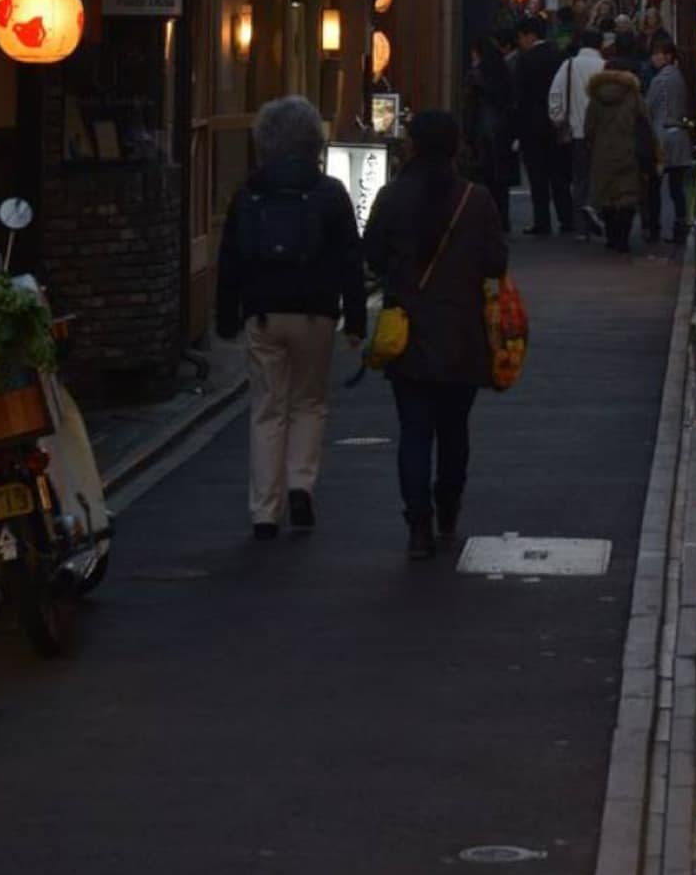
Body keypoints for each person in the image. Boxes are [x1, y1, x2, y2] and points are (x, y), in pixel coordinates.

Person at [216, 96, 365, 539]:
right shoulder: (330, 193)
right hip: (316, 311)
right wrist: (356, 319)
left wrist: (227, 317)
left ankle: (265, 508)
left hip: (262, 313)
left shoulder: (249, 193)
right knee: (308, 402)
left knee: (267, 409)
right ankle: (301, 484)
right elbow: (349, 259)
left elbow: (231, 259)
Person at [363, 111, 509, 559]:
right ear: (455, 146)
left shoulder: (392, 197)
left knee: (414, 431)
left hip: (408, 330)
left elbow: (372, 255)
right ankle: (448, 507)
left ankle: (418, 523)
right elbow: (495, 263)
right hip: (463, 332)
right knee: (453, 429)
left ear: (412, 145)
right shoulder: (476, 199)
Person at [516, 15, 573, 235]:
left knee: (537, 177)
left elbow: (521, 96)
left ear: (530, 36)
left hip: (531, 125)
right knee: (559, 175)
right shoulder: (559, 56)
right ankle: (566, 219)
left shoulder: (526, 60)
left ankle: (542, 221)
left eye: (521, 37)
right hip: (556, 123)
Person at [548, 26, 605, 239]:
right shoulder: (605, 66)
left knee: (579, 179)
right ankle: (597, 213)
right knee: (600, 177)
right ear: (600, 45)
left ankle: (581, 228)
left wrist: (558, 118)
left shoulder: (569, 65)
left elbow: (556, 93)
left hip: (576, 131)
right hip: (601, 132)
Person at [585, 63, 648, 253]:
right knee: (626, 196)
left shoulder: (595, 98)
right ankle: (623, 239)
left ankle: (611, 237)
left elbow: (589, 129)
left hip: (602, 154)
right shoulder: (633, 96)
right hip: (628, 151)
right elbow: (644, 122)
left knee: (607, 196)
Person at [646, 35, 693, 243]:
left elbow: (649, 107)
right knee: (677, 188)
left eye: (657, 54)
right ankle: (681, 225)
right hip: (680, 135)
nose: (653, 58)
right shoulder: (679, 77)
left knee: (654, 186)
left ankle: (654, 227)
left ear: (667, 56)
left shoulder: (659, 80)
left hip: (661, 136)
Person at [463, 36, 513, 230]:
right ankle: (502, 219)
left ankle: (485, 220)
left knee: (482, 178)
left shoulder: (476, 76)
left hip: (482, 134)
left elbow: (469, 107)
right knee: (500, 182)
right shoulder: (503, 72)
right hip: (501, 134)